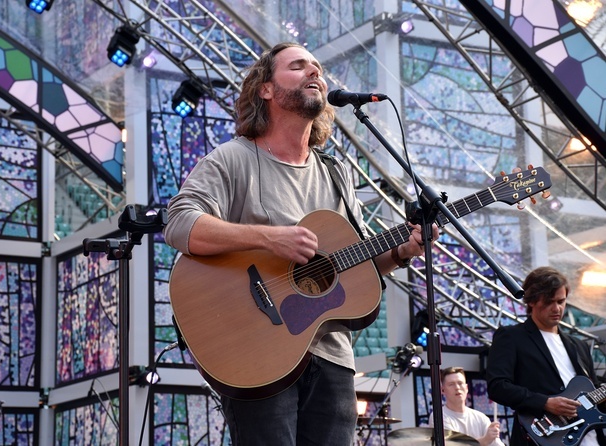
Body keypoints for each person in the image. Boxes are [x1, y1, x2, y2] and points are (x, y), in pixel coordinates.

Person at [164, 42, 437, 445]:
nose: (314, 72)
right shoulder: (232, 159)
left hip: (334, 358)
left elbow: (355, 259)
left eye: (317, 68)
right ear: (266, 89)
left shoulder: (335, 173)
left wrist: (402, 251)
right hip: (257, 350)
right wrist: (268, 237)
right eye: (298, 66)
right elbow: (180, 224)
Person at [487, 266, 606, 446]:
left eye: (561, 301)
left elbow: (595, 394)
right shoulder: (511, 337)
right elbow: (498, 386)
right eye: (550, 301)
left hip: (590, 439)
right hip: (544, 436)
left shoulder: (578, 345)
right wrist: (545, 403)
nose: (557, 308)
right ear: (532, 301)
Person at [429, 366, 504, 446]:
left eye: (460, 383)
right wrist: (484, 440)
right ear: (442, 390)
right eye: (451, 384)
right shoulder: (438, 417)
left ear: (466, 388)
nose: (457, 387)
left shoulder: (481, 418)